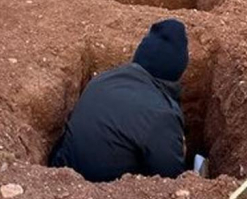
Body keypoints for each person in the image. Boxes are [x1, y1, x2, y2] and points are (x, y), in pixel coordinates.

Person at [49, 18, 188, 182]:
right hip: (103, 197)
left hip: (57, 179)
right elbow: (170, 177)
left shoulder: (101, 80)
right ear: (176, 68)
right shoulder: (162, 114)